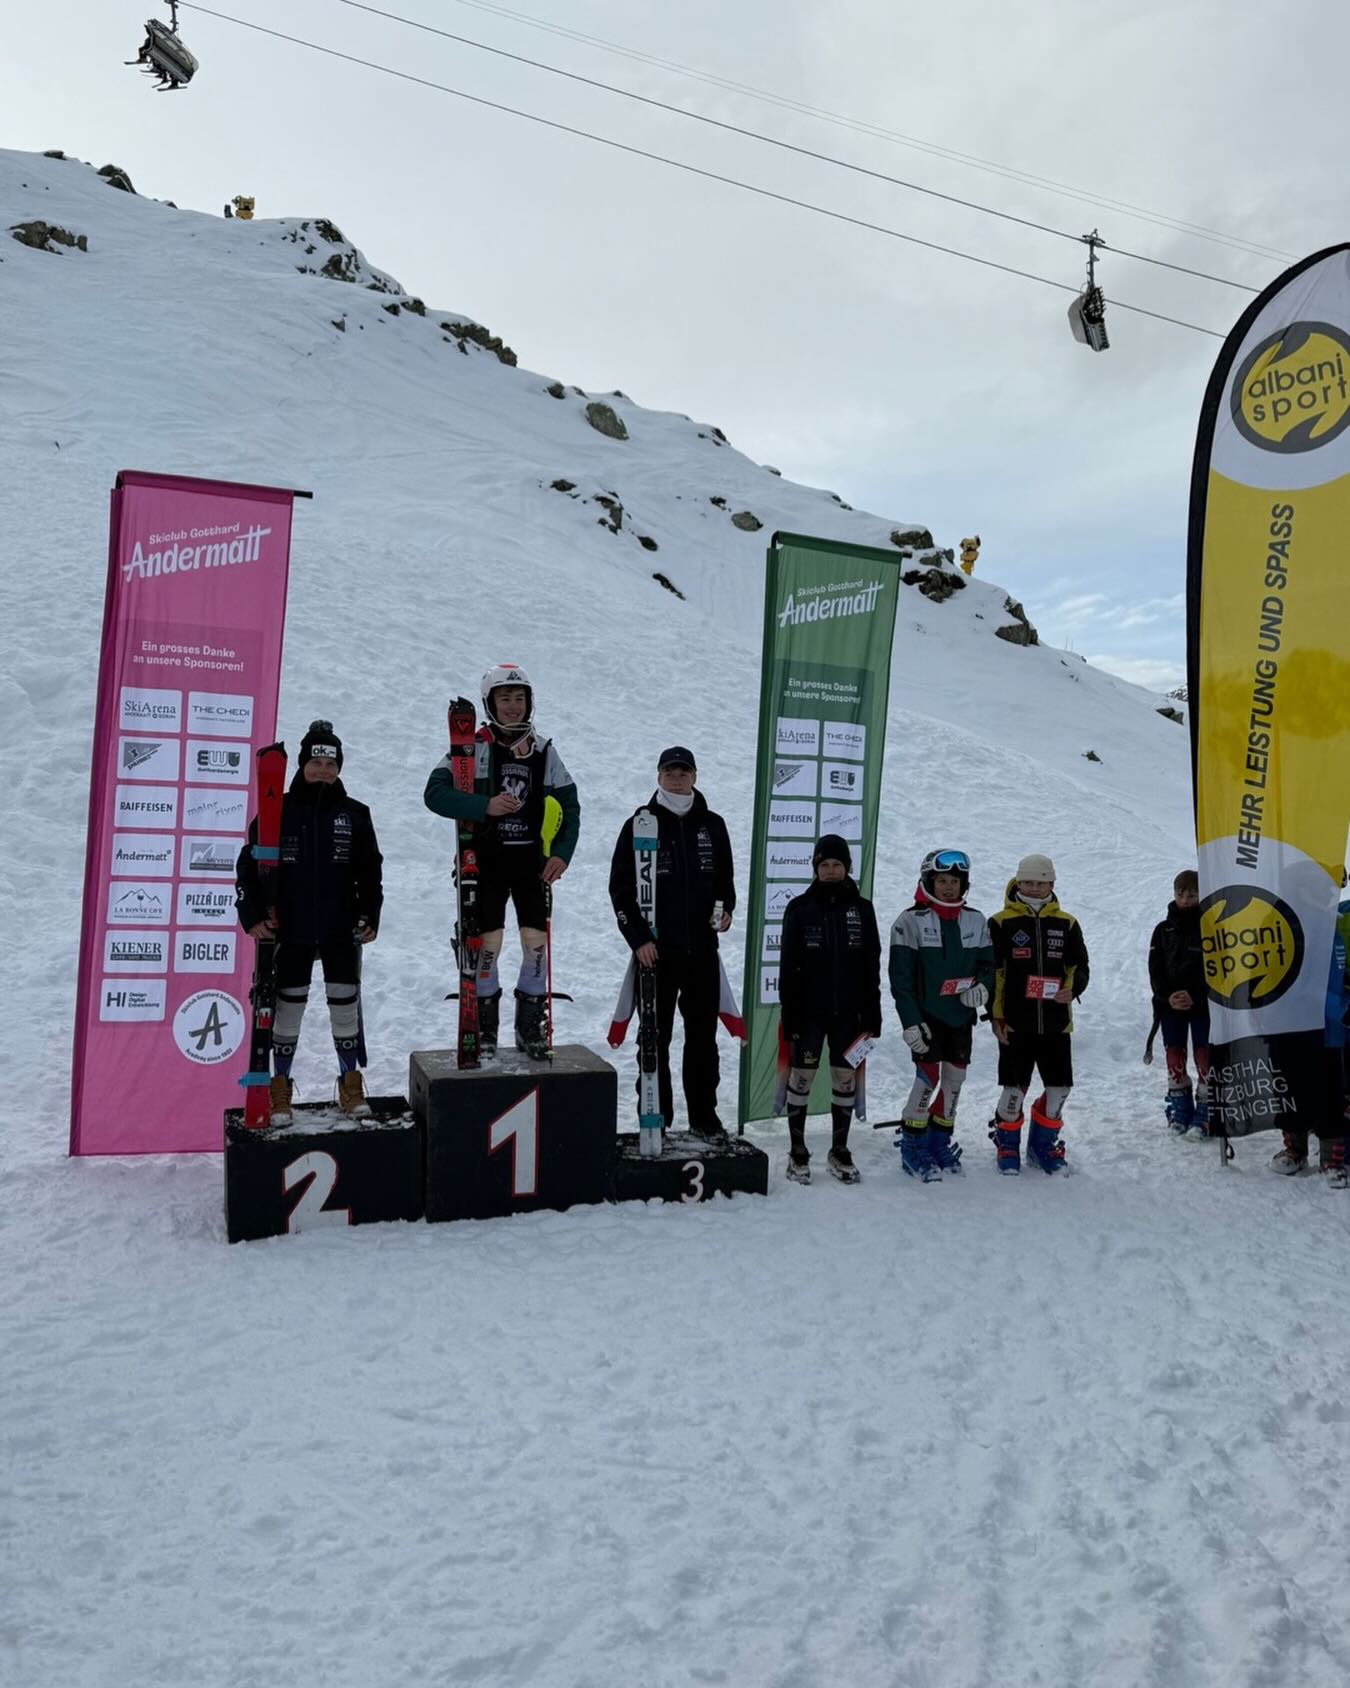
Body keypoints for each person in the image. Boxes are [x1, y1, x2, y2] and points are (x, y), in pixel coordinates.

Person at [423, 664, 580, 1059]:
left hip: (531, 863)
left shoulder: (543, 750)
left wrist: (561, 853)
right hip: (485, 862)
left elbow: (570, 805)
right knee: (487, 943)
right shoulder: (472, 747)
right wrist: (484, 806)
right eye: (504, 698)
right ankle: (485, 1027)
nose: (513, 706)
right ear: (490, 703)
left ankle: (529, 1027)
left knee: (535, 942)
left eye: (519, 698)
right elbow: (434, 794)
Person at [235, 720, 383, 1123]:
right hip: (291, 929)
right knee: (287, 1009)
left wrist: (370, 915)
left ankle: (350, 1083)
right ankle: (279, 1086)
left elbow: (371, 871)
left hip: (340, 928)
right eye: (315, 762)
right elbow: (248, 868)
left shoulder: (355, 814)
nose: (323, 770)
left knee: (345, 1005)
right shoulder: (275, 811)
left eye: (331, 764)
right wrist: (251, 914)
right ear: (302, 765)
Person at [609, 746, 736, 1142]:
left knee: (702, 1041)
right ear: (659, 776)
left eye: (683, 772)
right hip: (656, 955)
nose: (677, 779)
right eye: (670, 772)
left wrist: (725, 913)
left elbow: (725, 884)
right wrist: (639, 940)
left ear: (694, 777)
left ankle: (704, 1117)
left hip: (701, 953)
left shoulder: (712, 825)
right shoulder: (639, 824)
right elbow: (621, 892)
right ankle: (655, 1116)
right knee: (654, 1038)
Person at [777, 835, 882, 1185]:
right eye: (824, 865)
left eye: (837, 864)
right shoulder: (799, 908)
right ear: (816, 868)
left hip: (849, 1014)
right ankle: (797, 1150)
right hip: (809, 1013)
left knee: (843, 1077)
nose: (831, 870)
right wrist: (790, 1013)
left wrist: (872, 1012)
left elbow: (871, 963)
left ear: (847, 867)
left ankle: (839, 1149)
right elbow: (787, 965)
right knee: (801, 1077)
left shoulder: (862, 909)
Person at [888, 848, 994, 1182]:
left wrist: (983, 988)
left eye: (955, 882)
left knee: (955, 1080)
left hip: (960, 1017)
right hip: (926, 1018)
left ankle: (938, 1141)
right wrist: (910, 1021)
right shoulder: (909, 921)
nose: (949, 888)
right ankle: (912, 1144)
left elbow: (988, 965)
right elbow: (901, 980)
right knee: (928, 1078)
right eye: (942, 881)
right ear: (928, 882)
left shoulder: (976, 919)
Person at [988, 854, 1089, 1175]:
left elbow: (1079, 965)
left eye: (1040, 882)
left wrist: (1072, 989)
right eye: (1028, 882)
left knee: (1059, 1089)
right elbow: (994, 974)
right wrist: (996, 1016)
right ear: (1018, 883)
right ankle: (1007, 1143)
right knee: (1013, 1090)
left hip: (1057, 1024)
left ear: (1052, 884)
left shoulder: (1067, 923)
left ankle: (1041, 1146)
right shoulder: (1000, 923)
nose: (1034, 888)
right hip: (1015, 1024)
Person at [1272, 874, 1350, 1184]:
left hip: (1330, 1031)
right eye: (1326, 888)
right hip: (1296, 1026)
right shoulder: (1287, 925)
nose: (1332, 893)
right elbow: (1299, 982)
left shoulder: (1332, 924)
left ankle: (1332, 1158)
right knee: (1293, 1087)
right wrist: (1340, 1007)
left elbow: (1335, 977)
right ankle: (1295, 1148)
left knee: (1331, 1092)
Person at [1147, 869, 1210, 1139]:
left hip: (1203, 1005)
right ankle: (1180, 1108)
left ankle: (1207, 1111)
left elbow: (1217, 970)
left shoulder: (1211, 927)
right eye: (1181, 894)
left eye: (1192, 895)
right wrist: (1167, 996)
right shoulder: (1163, 930)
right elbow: (1155, 969)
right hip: (1170, 1005)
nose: (1185, 900)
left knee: (1205, 1057)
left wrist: (1195, 995)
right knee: (1174, 1056)